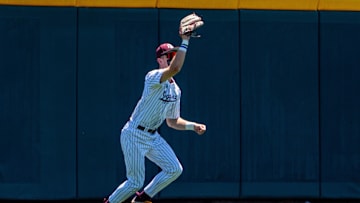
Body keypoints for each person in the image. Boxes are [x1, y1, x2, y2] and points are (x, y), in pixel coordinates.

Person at [103, 33, 206, 203]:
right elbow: (175, 69)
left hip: (152, 136)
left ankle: (142, 199)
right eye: (170, 55)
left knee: (174, 169)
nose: (173, 58)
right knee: (135, 182)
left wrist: (192, 126)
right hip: (134, 134)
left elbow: (172, 121)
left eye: (175, 55)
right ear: (160, 60)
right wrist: (185, 41)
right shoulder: (153, 77)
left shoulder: (176, 90)